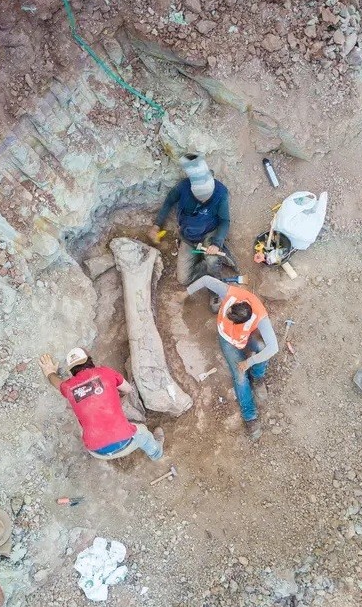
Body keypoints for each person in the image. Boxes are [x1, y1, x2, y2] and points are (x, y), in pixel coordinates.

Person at [179, 278, 278, 439]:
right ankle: (250, 416)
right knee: (239, 376)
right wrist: (185, 293)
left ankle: (257, 377)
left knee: (262, 347)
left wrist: (249, 362)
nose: (226, 314)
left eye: (232, 317)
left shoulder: (260, 315)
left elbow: (273, 348)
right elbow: (205, 280)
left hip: (244, 337)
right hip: (227, 340)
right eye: (229, 311)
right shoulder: (231, 293)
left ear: (243, 320)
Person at [39, 348, 164, 460]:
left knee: (80, 417)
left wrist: (50, 372)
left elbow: (56, 382)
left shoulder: (68, 387)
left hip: (96, 451)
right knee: (143, 432)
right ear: (90, 360)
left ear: (72, 370)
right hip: (126, 442)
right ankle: (156, 453)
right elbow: (128, 390)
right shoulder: (105, 372)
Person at [148, 153, 236, 285]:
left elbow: (224, 221)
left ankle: (215, 280)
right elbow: (168, 202)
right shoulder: (183, 188)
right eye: (202, 200)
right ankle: (208, 262)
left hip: (209, 233)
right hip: (188, 238)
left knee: (212, 260)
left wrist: (217, 243)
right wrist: (156, 225)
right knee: (183, 280)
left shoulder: (220, 192)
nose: (205, 202)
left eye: (208, 199)